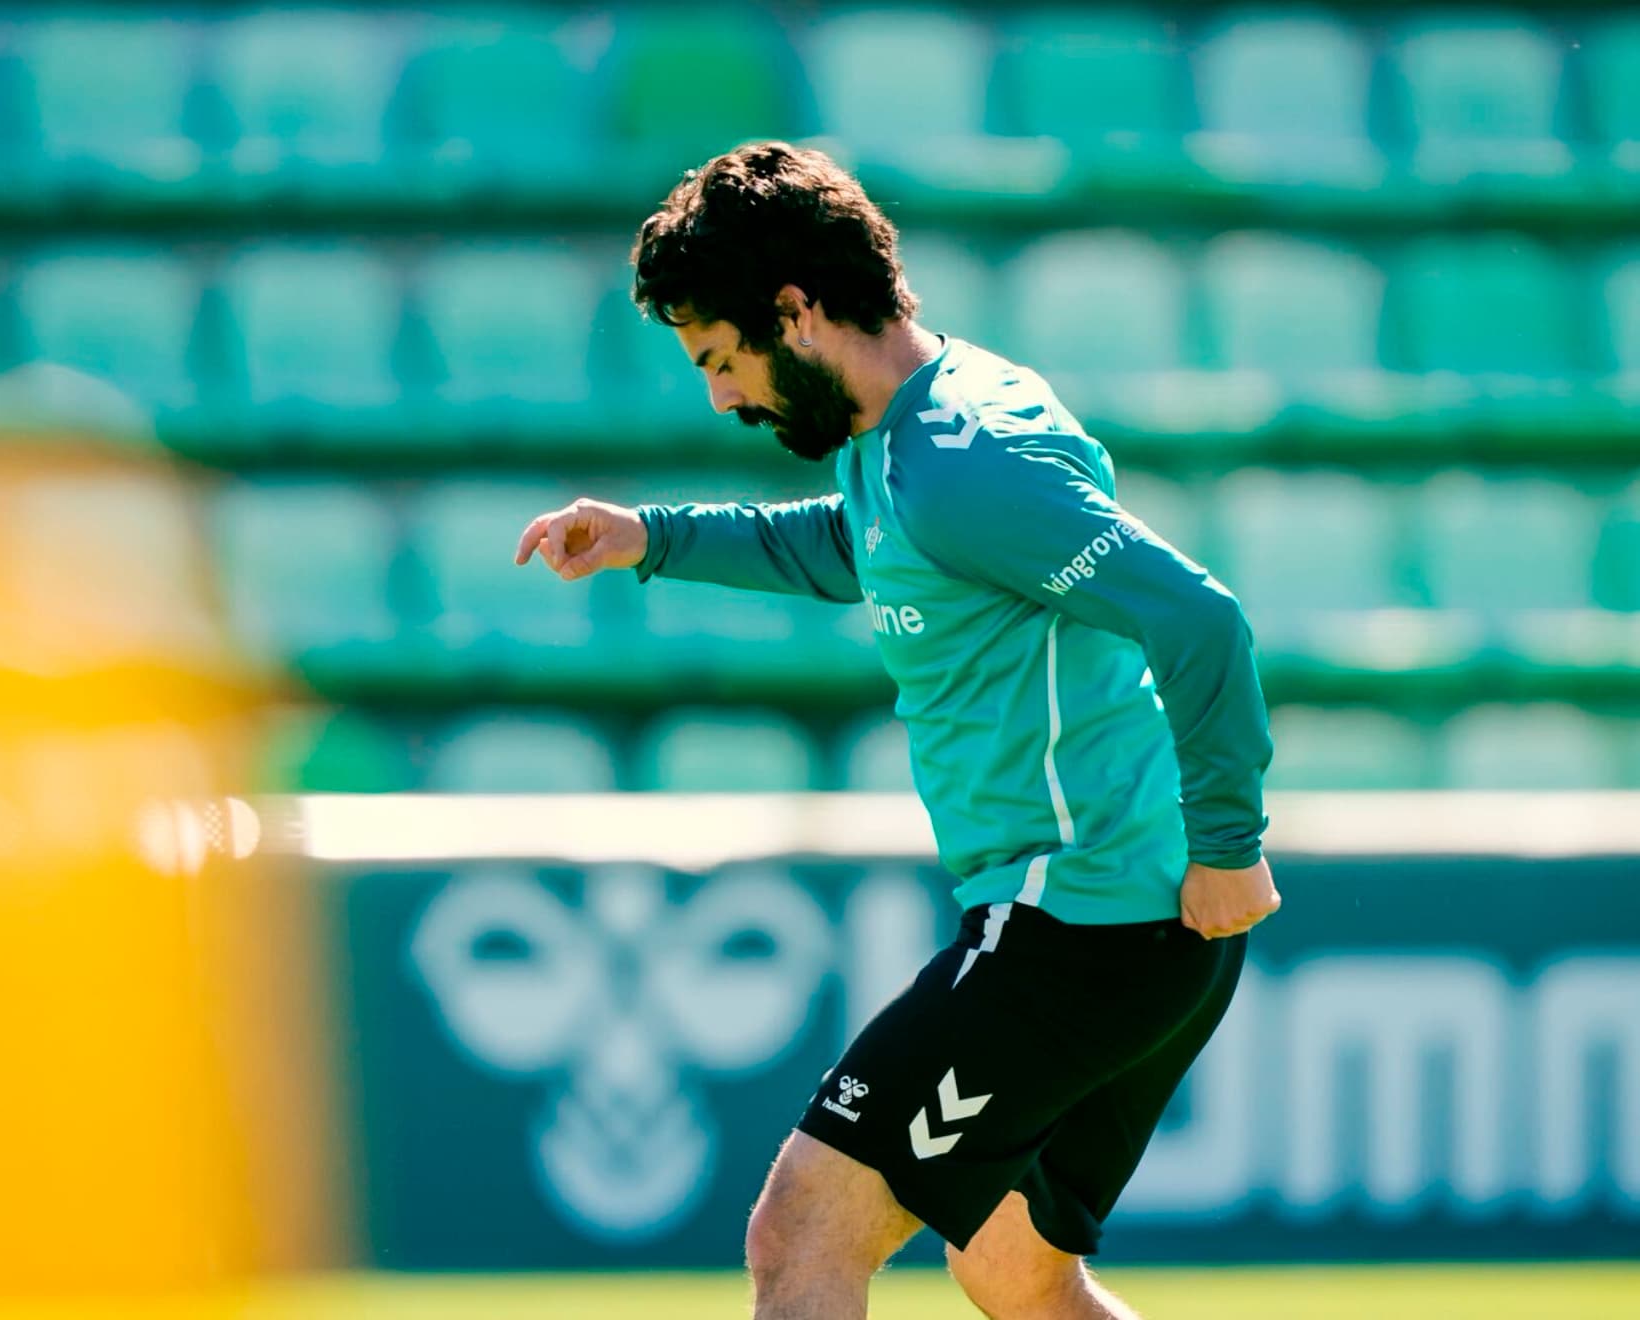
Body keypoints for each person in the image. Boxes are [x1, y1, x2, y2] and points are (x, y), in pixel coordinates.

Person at [513, 142, 1280, 1320]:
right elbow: (859, 546)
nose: (722, 398)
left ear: (794, 311)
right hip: (1124, 924)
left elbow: (1197, 616)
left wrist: (1231, 844)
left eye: (721, 360)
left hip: (1081, 924)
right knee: (1016, 1271)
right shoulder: (919, 435)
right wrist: (653, 537)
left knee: (804, 1229)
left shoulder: (964, 463)